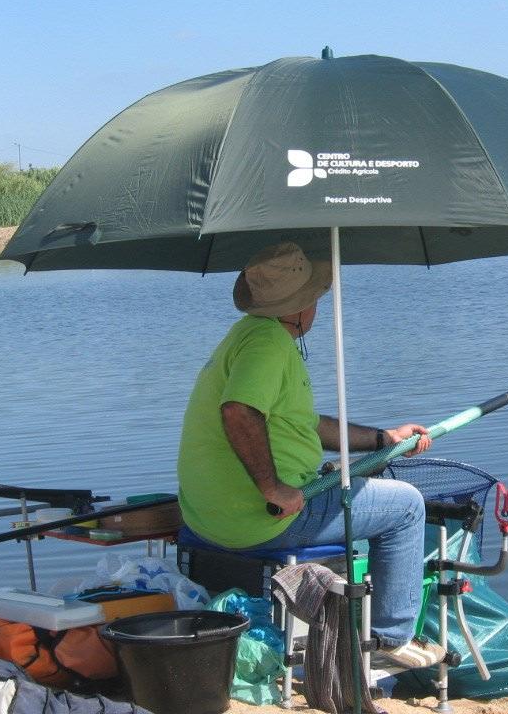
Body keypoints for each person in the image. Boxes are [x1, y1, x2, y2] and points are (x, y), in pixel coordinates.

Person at [177, 242, 445, 670]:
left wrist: (383, 437)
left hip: (208, 518)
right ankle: (391, 639)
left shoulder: (248, 334)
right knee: (407, 506)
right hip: (262, 518)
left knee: (376, 492)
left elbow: (299, 422)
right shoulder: (268, 346)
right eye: (317, 298)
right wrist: (273, 487)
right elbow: (239, 412)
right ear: (301, 307)